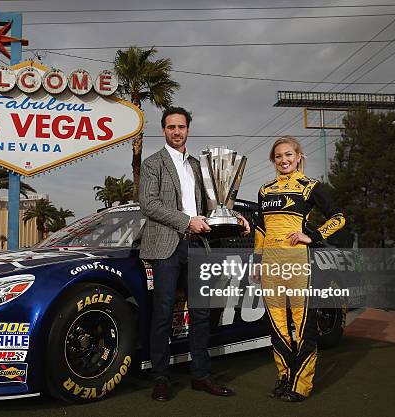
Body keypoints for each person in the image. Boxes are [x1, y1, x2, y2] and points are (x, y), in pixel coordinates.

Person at [139, 107, 250, 401]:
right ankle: (161, 377)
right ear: (163, 130)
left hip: (198, 245)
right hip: (166, 247)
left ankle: (201, 376)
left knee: (202, 314)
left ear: (188, 129)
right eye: (171, 127)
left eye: (182, 127)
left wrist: (236, 216)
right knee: (162, 313)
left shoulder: (200, 166)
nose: (177, 131)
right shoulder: (153, 164)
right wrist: (187, 220)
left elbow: (216, 202)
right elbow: (148, 204)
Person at [252, 136, 346, 402]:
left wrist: (313, 236)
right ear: (273, 160)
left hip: (298, 264)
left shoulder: (310, 186)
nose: (284, 160)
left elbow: (339, 217)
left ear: (298, 157)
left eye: (288, 155)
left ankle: (301, 385)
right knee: (277, 327)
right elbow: (261, 229)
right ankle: (284, 379)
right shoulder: (265, 190)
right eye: (279, 156)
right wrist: (257, 262)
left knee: (304, 327)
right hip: (270, 265)